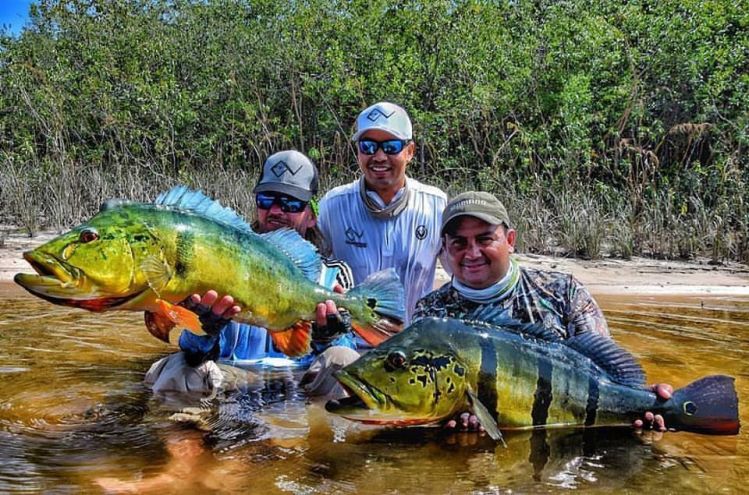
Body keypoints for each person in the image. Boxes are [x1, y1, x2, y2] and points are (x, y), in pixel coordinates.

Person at [412, 191, 673, 432]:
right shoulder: (431, 314)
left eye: (484, 239)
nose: (473, 252)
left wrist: (645, 398)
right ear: (444, 249)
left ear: (510, 240)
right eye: (459, 243)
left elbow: (606, 375)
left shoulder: (563, 292)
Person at [145, 150, 357, 396]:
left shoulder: (333, 275)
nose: (276, 210)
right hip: (234, 379)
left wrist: (328, 337)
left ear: (311, 216)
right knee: (176, 369)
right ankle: (188, 432)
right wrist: (206, 329)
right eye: (267, 200)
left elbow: (346, 349)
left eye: (290, 203)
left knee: (344, 360)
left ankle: (332, 434)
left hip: (303, 381)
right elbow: (192, 351)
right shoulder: (219, 261)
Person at [318, 102, 447, 325]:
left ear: (410, 151)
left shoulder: (436, 206)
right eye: (368, 146)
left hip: (411, 346)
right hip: (349, 343)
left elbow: (464, 276)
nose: (378, 156)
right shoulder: (332, 205)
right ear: (357, 151)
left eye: (390, 146)